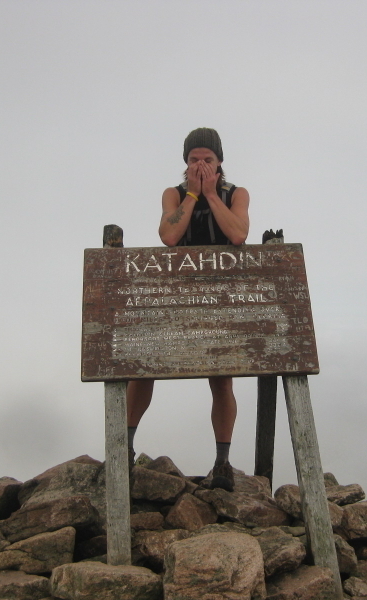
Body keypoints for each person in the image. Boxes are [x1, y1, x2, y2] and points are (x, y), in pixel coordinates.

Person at [126, 128, 250, 491]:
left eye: (207, 160)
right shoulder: (175, 195)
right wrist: (194, 194)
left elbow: (238, 233)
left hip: (221, 300)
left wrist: (212, 195)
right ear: (185, 163)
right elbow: (169, 236)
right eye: (194, 159)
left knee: (221, 377)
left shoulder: (236, 194)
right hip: (176, 300)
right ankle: (124, 448)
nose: (200, 165)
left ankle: (222, 462)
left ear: (219, 163)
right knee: (143, 368)